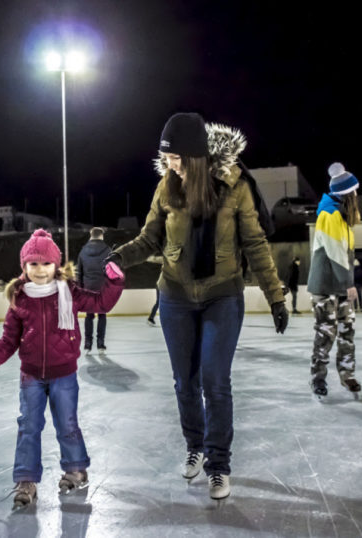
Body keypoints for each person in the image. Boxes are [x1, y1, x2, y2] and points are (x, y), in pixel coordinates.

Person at [108, 113, 288, 500]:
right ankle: (196, 445)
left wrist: (275, 296)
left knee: (215, 381)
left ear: (196, 156)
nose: (170, 164)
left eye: (176, 157)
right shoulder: (165, 187)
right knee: (184, 382)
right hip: (174, 295)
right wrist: (117, 258)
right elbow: (149, 239)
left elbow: (255, 244)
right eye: (166, 157)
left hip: (222, 294)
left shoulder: (234, 186)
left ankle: (219, 466)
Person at [0, 229, 125, 509]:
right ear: (24, 266)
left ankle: (76, 469)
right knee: (29, 426)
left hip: (64, 373)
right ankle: (26, 480)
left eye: (45, 263)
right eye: (33, 264)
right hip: (31, 376)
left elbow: (101, 303)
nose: (40, 270)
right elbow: (8, 340)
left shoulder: (70, 292)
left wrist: (113, 282)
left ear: (56, 264)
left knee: (67, 424)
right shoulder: (20, 298)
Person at [307, 163, 362, 398]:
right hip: (326, 286)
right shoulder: (329, 214)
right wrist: (349, 284)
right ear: (347, 193)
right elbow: (335, 253)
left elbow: (346, 254)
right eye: (355, 191)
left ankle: (347, 375)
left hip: (339, 284)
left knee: (347, 330)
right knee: (326, 333)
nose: (357, 195)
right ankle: (318, 379)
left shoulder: (341, 217)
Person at [76, 227, 112, 352]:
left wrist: (80, 289)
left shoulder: (83, 251)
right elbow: (111, 271)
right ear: (101, 236)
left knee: (89, 315)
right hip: (102, 288)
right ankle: (100, 343)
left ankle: (88, 343)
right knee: (102, 315)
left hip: (88, 288)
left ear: (91, 235)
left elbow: (79, 272)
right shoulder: (108, 250)